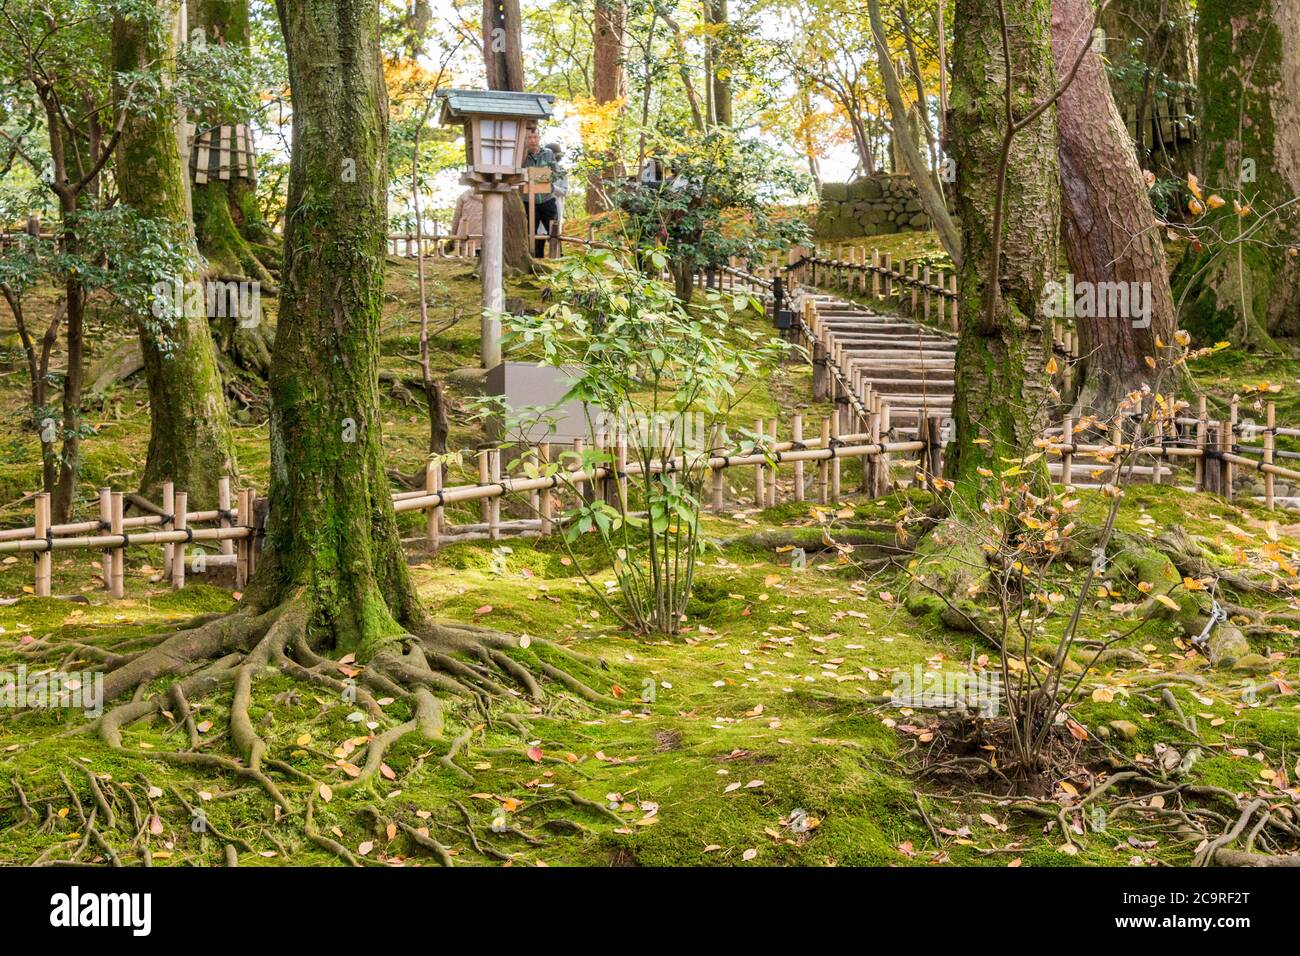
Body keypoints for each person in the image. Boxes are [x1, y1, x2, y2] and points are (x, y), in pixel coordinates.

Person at [521, 127, 563, 257]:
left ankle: (557, 255)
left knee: (553, 228)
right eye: (529, 138)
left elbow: (557, 173)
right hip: (528, 200)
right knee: (528, 230)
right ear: (525, 140)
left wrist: (546, 179)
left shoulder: (548, 153)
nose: (533, 141)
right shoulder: (522, 156)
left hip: (547, 199)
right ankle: (531, 257)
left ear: (539, 138)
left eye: (535, 137)